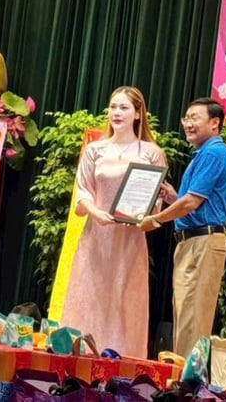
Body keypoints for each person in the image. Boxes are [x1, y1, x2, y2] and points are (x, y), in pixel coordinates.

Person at [60, 86, 167, 358]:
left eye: (124, 108)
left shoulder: (151, 152)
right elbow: (82, 192)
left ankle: (121, 366)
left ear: (138, 114)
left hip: (129, 242)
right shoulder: (95, 150)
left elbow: (155, 202)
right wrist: (96, 212)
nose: (117, 113)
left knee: (124, 303)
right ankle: (80, 359)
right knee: (88, 298)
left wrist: (145, 217)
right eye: (113, 107)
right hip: (95, 238)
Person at [139, 98, 226, 358]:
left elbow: (191, 202)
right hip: (193, 242)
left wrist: (156, 219)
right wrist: (174, 198)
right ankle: (183, 377)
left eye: (195, 118)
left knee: (193, 321)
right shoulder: (204, 154)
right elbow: (193, 202)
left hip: (202, 243)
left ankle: (187, 380)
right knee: (186, 316)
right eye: (186, 118)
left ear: (214, 123)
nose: (188, 124)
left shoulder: (213, 153)